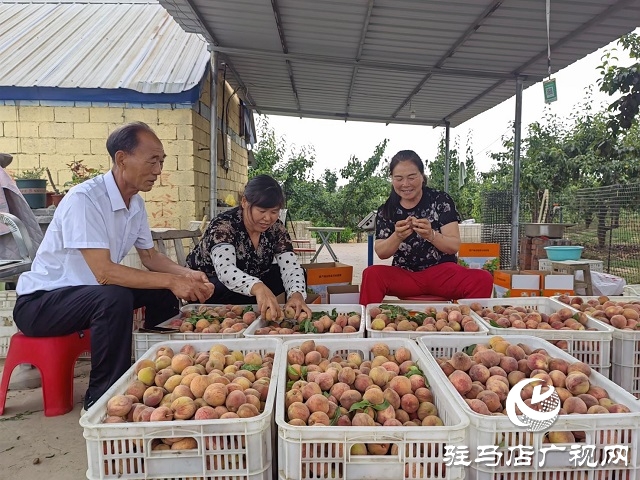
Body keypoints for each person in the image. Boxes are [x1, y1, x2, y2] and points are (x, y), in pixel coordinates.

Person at [13, 122, 214, 412]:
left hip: (87, 295)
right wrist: (171, 280)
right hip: (42, 304)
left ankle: (163, 371)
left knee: (159, 291)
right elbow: (104, 273)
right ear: (122, 159)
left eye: (162, 161)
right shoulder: (85, 200)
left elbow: (151, 257)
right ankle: (102, 398)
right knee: (115, 297)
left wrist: (184, 274)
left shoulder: (135, 204)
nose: (158, 170)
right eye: (152, 160)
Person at [359, 150, 493, 305]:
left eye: (412, 177)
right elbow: (382, 253)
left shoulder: (440, 200)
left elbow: (453, 246)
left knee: (482, 278)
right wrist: (397, 236)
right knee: (371, 274)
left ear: (422, 176)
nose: (406, 184)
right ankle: (367, 326)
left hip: (442, 275)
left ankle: (469, 323)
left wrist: (431, 235)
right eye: (399, 178)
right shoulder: (387, 209)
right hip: (405, 276)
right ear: (392, 179)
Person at [187, 174, 312, 320]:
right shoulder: (224, 225)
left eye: (274, 212)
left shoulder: (276, 228)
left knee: (295, 273)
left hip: (248, 287)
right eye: (262, 211)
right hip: (212, 287)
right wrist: (258, 287)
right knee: (218, 286)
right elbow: (225, 270)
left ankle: (280, 310)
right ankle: (234, 315)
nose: (268, 218)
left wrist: (296, 294)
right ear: (245, 202)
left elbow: (290, 266)